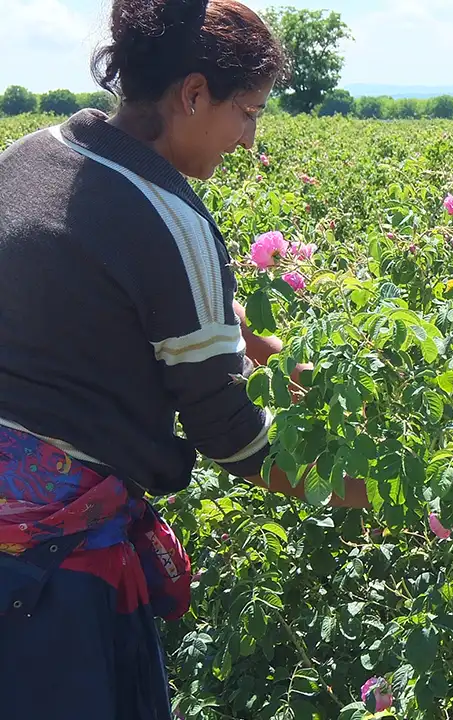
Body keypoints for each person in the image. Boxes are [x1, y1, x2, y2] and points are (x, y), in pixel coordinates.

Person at [0, 0, 368, 716]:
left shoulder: (33, 154)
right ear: (193, 94)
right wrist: (358, 493)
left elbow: (109, 293)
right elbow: (230, 436)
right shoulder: (171, 218)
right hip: (51, 570)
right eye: (249, 113)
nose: (248, 138)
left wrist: (263, 350)